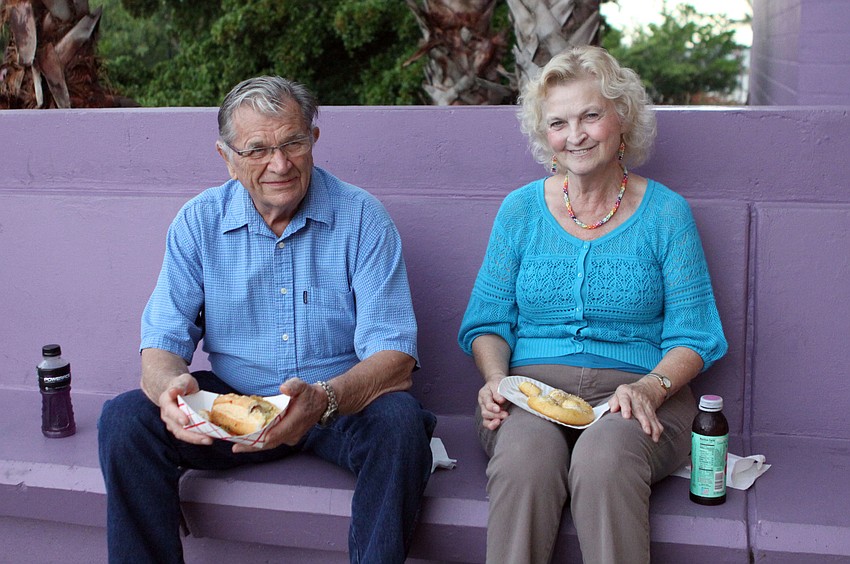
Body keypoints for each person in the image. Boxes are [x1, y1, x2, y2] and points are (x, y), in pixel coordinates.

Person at [98, 76, 436, 564]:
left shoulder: (363, 217)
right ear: (227, 157)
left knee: (401, 423)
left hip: (334, 404)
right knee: (126, 418)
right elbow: (161, 340)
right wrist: (169, 391)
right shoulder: (198, 222)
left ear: (313, 140)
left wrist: (325, 401)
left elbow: (396, 357)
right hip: (234, 402)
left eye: (293, 143)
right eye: (258, 149)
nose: (281, 164)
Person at [457, 46, 728, 564]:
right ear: (546, 137)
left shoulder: (667, 215)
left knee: (604, 462)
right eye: (558, 123)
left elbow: (696, 337)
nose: (575, 135)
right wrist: (495, 379)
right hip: (533, 392)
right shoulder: (519, 211)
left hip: (639, 394)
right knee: (525, 462)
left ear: (621, 119)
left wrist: (648, 388)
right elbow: (488, 322)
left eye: (590, 115)